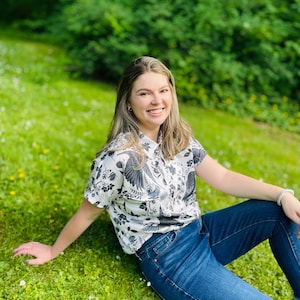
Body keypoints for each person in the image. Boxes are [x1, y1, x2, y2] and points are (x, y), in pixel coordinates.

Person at [14, 56, 300, 300]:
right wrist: (53, 250)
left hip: (201, 232)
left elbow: (223, 177)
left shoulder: (178, 137)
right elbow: (88, 213)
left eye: (163, 90)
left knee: (278, 210)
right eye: (144, 93)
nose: (157, 100)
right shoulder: (117, 158)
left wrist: (282, 194)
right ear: (128, 101)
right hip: (168, 257)